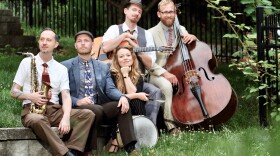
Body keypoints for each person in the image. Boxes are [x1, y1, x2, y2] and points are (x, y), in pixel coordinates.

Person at [10, 28, 95, 156]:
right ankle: (65, 154)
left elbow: (66, 96)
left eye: (49, 40)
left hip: (54, 111)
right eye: (42, 39)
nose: (44, 42)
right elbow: (13, 91)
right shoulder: (26, 62)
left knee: (88, 114)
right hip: (32, 111)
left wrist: (66, 117)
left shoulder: (61, 68)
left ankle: (73, 150)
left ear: (55, 44)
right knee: (37, 120)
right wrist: (30, 96)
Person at [61, 30, 140, 155]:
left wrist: (122, 97)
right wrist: (78, 101)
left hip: (99, 105)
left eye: (86, 41)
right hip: (76, 107)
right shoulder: (65, 66)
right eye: (79, 41)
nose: (82, 43)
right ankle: (87, 151)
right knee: (95, 110)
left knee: (121, 104)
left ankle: (131, 148)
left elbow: (110, 89)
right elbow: (61, 94)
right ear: (75, 45)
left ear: (93, 44)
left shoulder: (102, 67)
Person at [102, 0, 161, 126]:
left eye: (139, 12)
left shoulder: (146, 34)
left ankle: (149, 128)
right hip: (115, 77)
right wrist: (124, 37)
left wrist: (136, 49)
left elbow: (150, 64)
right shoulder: (114, 29)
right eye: (134, 10)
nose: (137, 13)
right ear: (125, 11)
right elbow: (105, 48)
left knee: (154, 91)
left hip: (137, 78)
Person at [148, 0, 198, 134]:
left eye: (171, 11)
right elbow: (148, 62)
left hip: (178, 71)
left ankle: (192, 117)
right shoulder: (150, 33)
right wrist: (165, 73)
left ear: (175, 13)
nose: (169, 15)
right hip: (157, 73)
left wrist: (193, 38)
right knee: (167, 86)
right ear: (159, 14)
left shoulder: (180, 29)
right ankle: (171, 126)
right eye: (165, 12)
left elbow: (193, 48)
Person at [109, 42, 149, 153]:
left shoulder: (137, 75)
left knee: (137, 102)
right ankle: (116, 138)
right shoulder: (111, 74)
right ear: (117, 60)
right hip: (115, 103)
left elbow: (132, 92)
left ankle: (140, 136)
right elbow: (114, 96)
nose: (125, 58)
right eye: (121, 56)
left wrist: (126, 74)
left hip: (131, 104)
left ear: (132, 57)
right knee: (125, 102)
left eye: (128, 55)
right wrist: (137, 95)